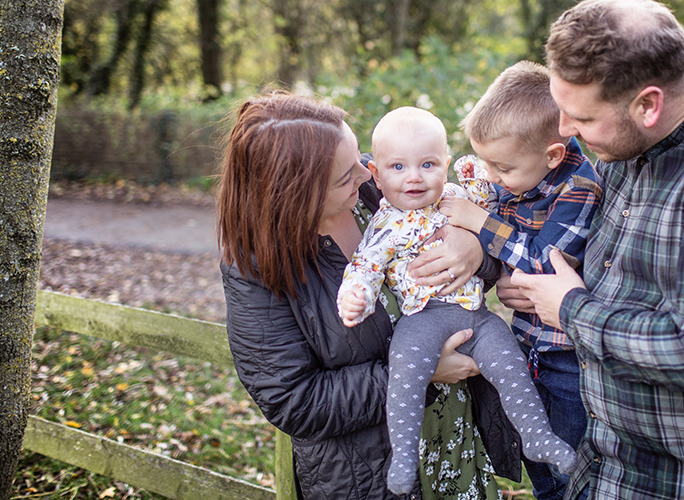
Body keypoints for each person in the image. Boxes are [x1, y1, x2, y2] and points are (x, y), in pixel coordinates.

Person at [218, 92, 521, 499]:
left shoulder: (376, 189)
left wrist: (475, 251)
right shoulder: (256, 267)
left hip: (454, 440)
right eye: (347, 176)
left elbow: (464, 276)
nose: (365, 174)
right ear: (296, 194)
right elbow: (293, 401)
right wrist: (419, 372)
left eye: (360, 162)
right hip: (368, 474)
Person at [336, 106, 577, 496]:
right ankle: (403, 456)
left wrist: (476, 205)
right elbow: (365, 268)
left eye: (428, 164)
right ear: (377, 176)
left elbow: (487, 194)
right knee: (406, 371)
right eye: (398, 168)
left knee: (509, 363)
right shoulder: (384, 223)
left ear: (444, 166)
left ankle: (537, 436)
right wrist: (357, 298)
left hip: (476, 316)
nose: (414, 177)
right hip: (423, 319)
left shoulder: (455, 198)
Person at [503, 1, 684, 498]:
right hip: (594, 461)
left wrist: (568, 309)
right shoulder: (615, 149)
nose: (563, 129)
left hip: (658, 480)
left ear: (647, 105)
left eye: (580, 115)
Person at [438, 61, 602, 500]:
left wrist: (480, 222)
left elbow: (544, 263)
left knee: (569, 463)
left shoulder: (579, 187)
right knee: (534, 449)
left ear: (551, 155)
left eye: (502, 168)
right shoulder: (512, 177)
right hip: (526, 342)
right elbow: (501, 254)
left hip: (567, 357)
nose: (492, 177)